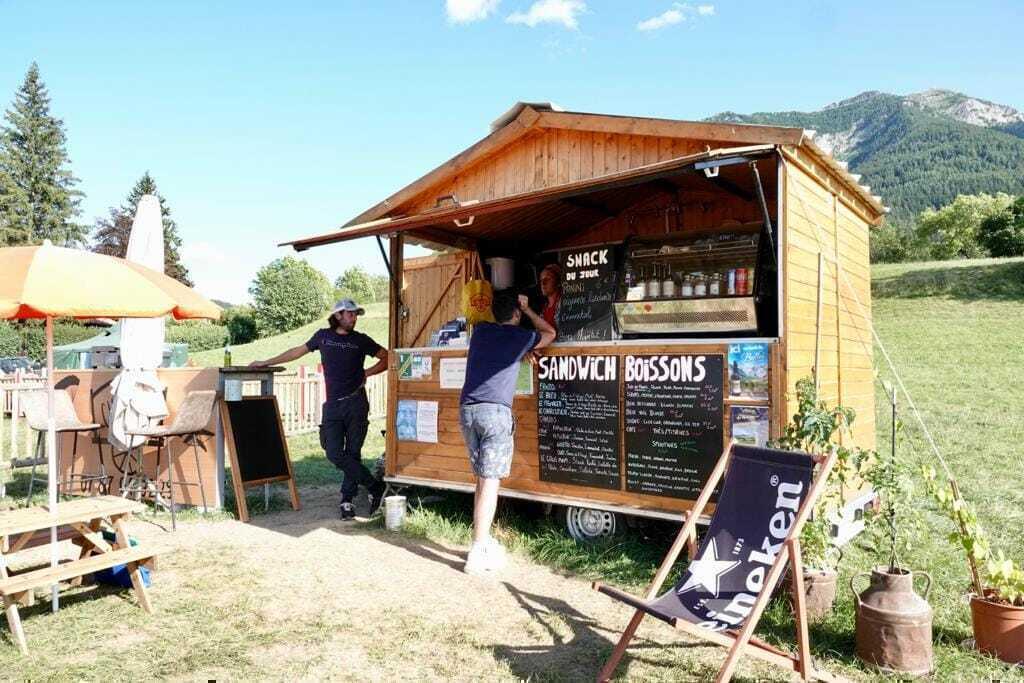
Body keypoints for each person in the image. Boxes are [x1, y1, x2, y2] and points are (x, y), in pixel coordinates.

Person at [250, 299, 387, 520]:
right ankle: (375, 486)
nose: (354, 318)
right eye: (350, 314)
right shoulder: (323, 336)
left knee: (353, 453)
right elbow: (297, 352)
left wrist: (367, 373)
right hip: (332, 405)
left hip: (356, 403)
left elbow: (387, 357)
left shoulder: (361, 340)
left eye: (356, 314)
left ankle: (347, 500)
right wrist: (266, 362)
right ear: (338, 315)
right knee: (333, 452)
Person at [460, 290, 555, 574]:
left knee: (482, 479)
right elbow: (550, 333)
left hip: (468, 411)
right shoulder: (518, 336)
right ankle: (478, 551)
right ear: (515, 313)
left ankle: (483, 540)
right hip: (494, 413)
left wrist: (520, 351)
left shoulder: (481, 332)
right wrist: (528, 311)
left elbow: (497, 349)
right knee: (490, 482)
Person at [538, 263, 562, 330]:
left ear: (558, 282)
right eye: (541, 280)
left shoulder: (566, 303)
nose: (543, 283)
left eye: (548, 279)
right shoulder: (544, 309)